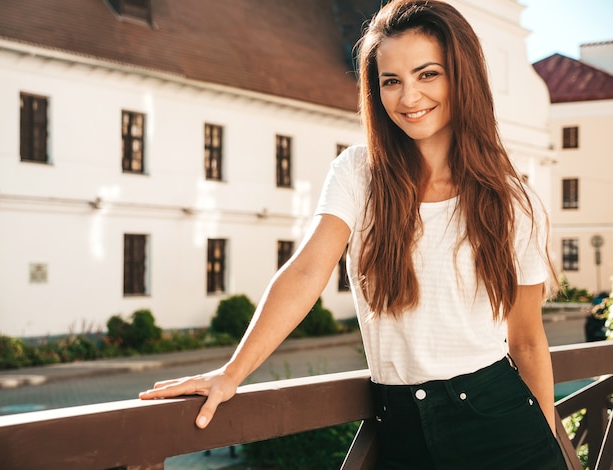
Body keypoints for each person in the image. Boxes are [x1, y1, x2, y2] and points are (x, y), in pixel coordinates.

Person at [140, 1, 567, 468]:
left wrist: (549, 447)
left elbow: (525, 340)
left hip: (502, 426)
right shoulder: (359, 173)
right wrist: (231, 373)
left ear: (463, 76)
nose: (409, 98)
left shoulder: (512, 202)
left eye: (428, 74)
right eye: (391, 81)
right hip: (400, 427)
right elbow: (307, 271)